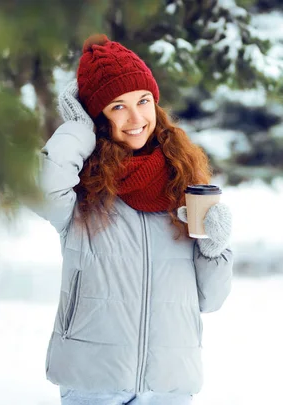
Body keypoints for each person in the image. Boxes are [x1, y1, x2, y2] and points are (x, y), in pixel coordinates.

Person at [32, 34, 233, 405]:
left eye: (143, 101)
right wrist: (78, 128)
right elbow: (41, 188)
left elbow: (210, 299)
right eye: (117, 106)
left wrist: (214, 249)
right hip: (94, 380)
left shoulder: (182, 186)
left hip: (169, 383)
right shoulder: (82, 193)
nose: (137, 118)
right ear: (97, 117)